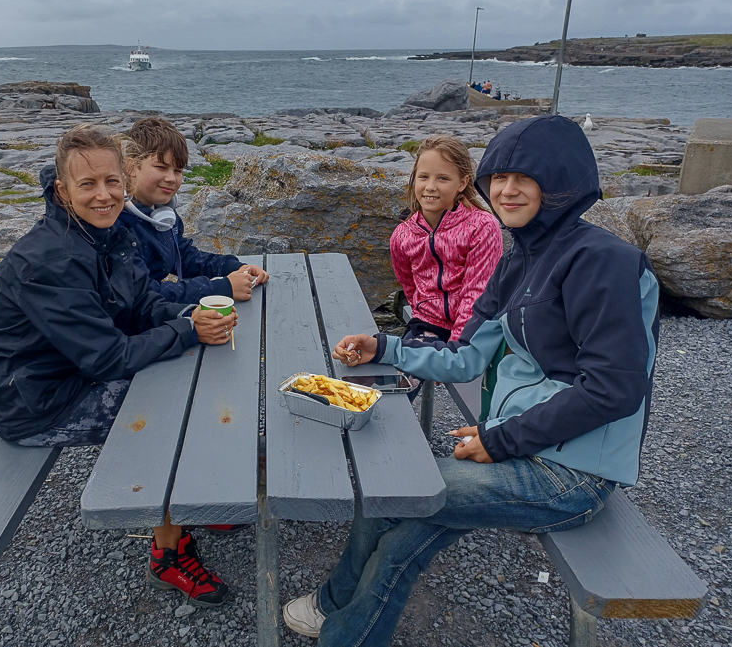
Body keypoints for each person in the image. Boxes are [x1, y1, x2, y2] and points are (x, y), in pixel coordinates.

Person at [282, 115, 660, 644]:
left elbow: (613, 388)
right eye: (499, 177)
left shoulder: (604, 262)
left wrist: (500, 438)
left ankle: (337, 616)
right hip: (525, 444)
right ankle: (339, 612)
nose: (507, 190)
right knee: (403, 523)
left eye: (526, 178)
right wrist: (387, 346)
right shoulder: (521, 258)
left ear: (564, 183)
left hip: (572, 473)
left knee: (397, 494)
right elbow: (464, 357)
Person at [0, 124, 236, 607]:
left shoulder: (106, 233)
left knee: (194, 378)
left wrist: (186, 316)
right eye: (88, 184)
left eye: (112, 182)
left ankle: (188, 500)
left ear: (125, 178)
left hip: (74, 372)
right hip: (39, 401)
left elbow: (141, 303)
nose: (104, 195)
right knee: (167, 413)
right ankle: (168, 556)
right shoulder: (50, 259)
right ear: (62, 189)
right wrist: (186, 331)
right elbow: (108, 357)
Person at [118, 116, 269, 304]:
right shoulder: (119, 226)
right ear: (132, 167)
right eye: (161, 167)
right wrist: (221, 288)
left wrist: (233, 267)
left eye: (178, 171)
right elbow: (143, 292)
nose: (171, 178)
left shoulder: (162, 214)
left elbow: (185, 256)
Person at [390, 135, 502, 344]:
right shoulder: (403, 234)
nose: (430, 186)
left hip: (478, 325)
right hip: (429, 323)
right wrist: (421, 313)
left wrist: (456, 345)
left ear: (462, 183)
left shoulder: (482, 227)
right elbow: (410, 286)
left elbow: (477, 292)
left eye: (443, 178)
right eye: (423, 177)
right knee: (406, 372)